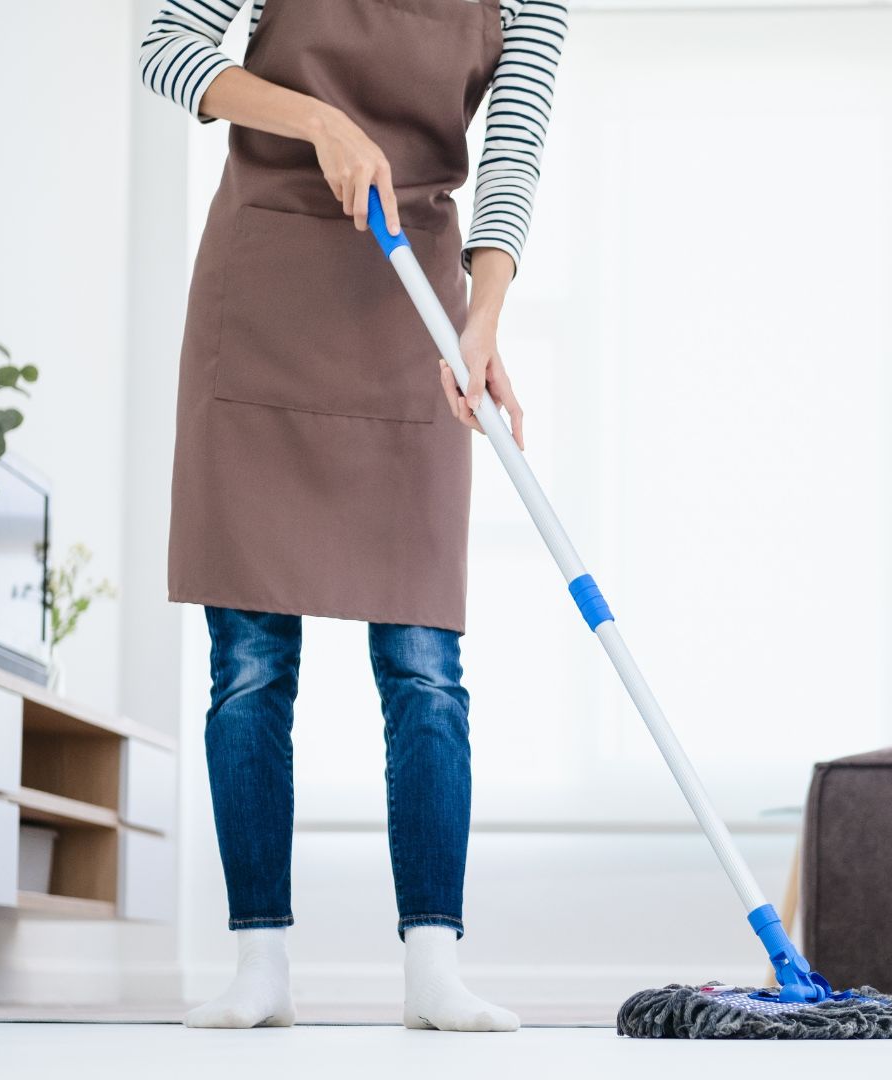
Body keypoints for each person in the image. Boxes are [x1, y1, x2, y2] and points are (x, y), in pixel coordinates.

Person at [137, 0, 565, 1034]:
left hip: (405, 294)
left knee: (424, 661)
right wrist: (315, 120)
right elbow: (166, 51)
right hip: (265, 286)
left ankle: (433, 968)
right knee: (248, 661)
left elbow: (512, 151)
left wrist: (484, 319)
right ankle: (260, 965)